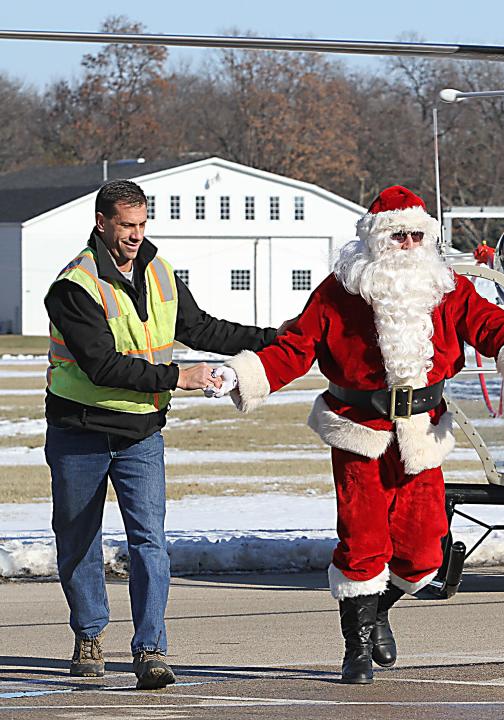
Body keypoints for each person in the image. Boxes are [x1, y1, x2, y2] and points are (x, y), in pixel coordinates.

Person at [214, 185, 504, 684]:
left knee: (422, 552)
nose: (409, 245)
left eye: (417, 235)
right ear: (375, 240)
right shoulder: (338, 291)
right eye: (398, 236)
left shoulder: (448, 287)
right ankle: (357, 647)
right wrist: (244, 375)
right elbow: (294, 347)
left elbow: (491, 325)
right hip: (358, 430)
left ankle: (379, 607)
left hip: (422, 432)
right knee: (362, 541)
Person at [44, 180, 279, 689]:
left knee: (150, 541)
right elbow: (103, 365)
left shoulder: (159, 270)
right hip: (79, 430)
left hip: (141, 435)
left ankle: (151, 649)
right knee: (78, 540)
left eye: (142, 225)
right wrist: (182, 377)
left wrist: (275, 338)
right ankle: (88, 634)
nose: (135, 235)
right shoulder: (73, 286)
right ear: (102, 222)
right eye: (126, 226)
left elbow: (202, 329)